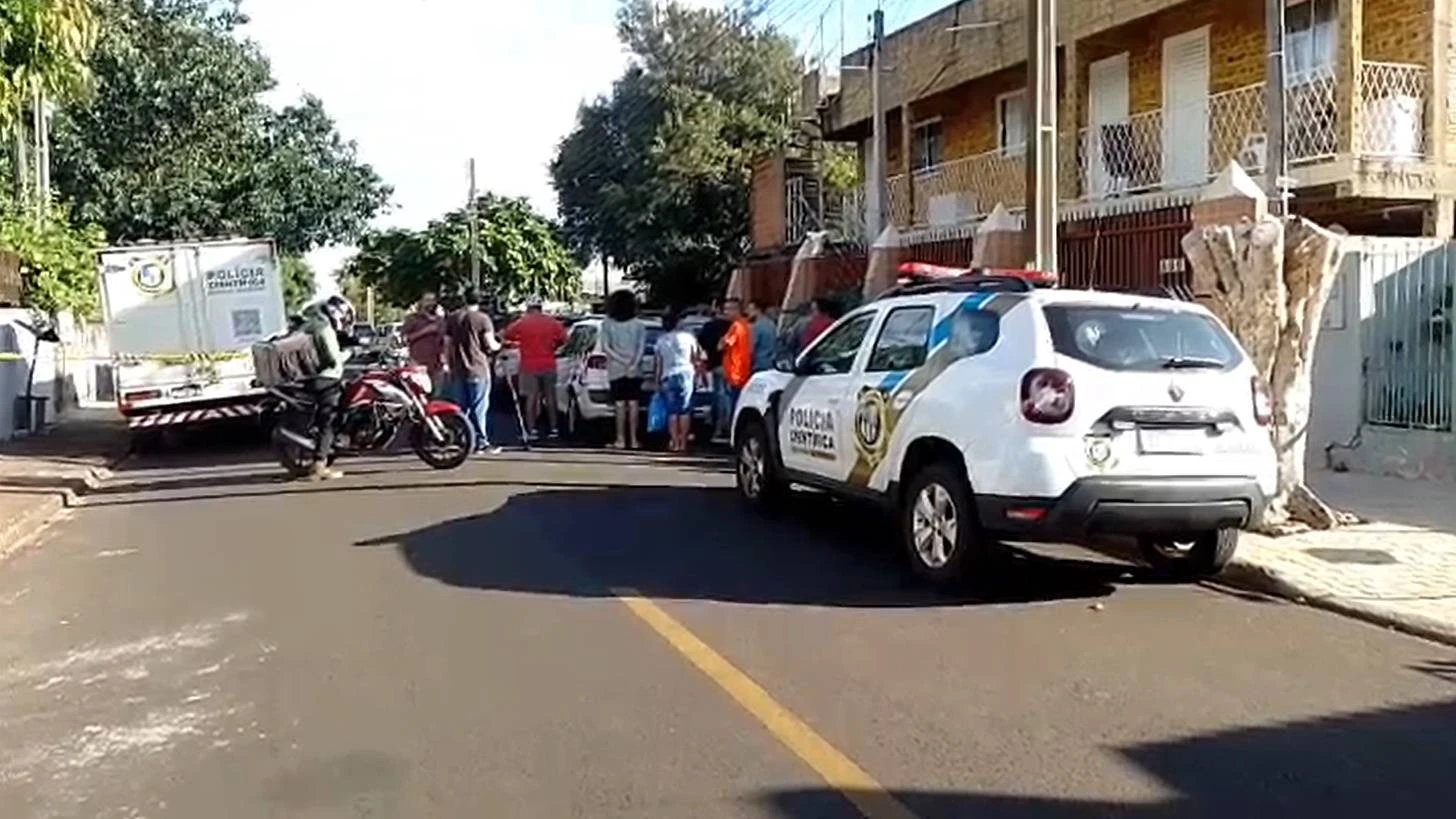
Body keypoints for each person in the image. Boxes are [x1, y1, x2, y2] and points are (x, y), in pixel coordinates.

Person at [297, 294, 355, 481]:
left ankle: (330, 452)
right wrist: (349, 353)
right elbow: (333, 359)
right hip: (326, 379)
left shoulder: (311, 324)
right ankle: (319, 466)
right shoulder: (324, 329)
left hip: (312, 377)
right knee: (329, 420)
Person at [443, 288, 503, 454]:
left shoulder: (453, 318)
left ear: (464, 299)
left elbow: (447, 344)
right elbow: (491, 344)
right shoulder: (482, 319)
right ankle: (480, 442)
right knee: (479, 407)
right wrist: (501, 344)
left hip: (458, 368)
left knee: (461, 408)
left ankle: (463, 439)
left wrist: (447, 363)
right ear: (479, 301)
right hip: (478, 368)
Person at [504, 297, 567, 440]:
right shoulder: (552, 322)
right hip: (548, 363)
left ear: (529, 308)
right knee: (550, 397)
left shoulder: (522, 322)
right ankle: (554, 428)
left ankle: (531, 430)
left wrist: (520, 342)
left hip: (529, 365)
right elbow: (564, 338)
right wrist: (553, 347)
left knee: (531, 398)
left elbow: (508, 334)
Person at [600, 289, 647, 450]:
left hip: (616, 368)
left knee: (619, 404)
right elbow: (641, 347)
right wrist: (633, 364)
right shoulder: (639, 325)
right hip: (635, 368)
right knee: (633, 403)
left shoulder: (607, 324)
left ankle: (620, 439)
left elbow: (606, 347)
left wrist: (621, 361)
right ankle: (634, 439)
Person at [654, 311, 705, 452]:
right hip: (686, 375)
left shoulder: (661, 340)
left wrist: (657, 381)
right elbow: (696, 359)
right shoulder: (689, 338)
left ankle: (674, 441)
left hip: (668, 375)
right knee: (684, 410)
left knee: (672, 411)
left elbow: (659, 364)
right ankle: (683, 442)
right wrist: (700, 376)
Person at [696, 301, 731, 443]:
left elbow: (700, 344)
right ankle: (725, 425)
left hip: (715, 364)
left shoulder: (709, 327)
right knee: (726, 396)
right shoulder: (732, 326)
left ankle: (720, 426)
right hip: (731, 365)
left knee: (719, 395)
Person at [401, 292, 445, 395]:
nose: (430, 303)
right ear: (421, 302)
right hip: (418, 363)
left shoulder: (440, 320)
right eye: (427, 300)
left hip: (437, 364)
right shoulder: (413, 319)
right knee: (420, 394)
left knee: (437, 395)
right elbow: (404, 339)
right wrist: (425, 331)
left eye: (433, 300)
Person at [718, 298, 753, 425]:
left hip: (735, 374)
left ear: (736, 310)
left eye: (728, 309)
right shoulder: (746, 325)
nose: (725, 312)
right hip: (743, 371)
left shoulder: (736, 327)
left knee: (733, 406)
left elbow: (722, 345)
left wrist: (722, 340)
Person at [747, 298, 778, 374]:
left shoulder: (756, 327)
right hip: (771, 364)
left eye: (750, 309)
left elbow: (751, 349)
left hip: (759, 364)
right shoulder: (771, 324)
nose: (747, 312)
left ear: (757, 310)